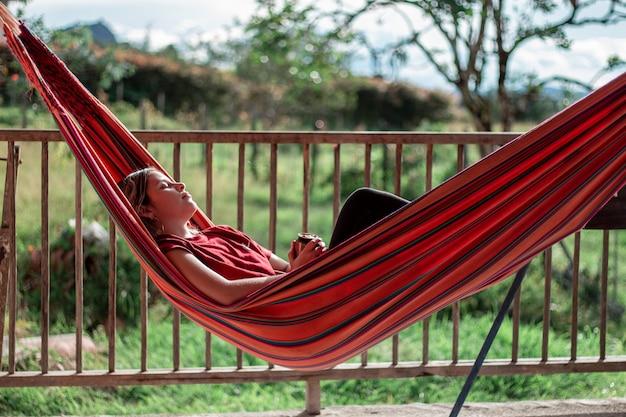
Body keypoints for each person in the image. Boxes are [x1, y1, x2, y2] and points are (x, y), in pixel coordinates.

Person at [119, 167, 409, 305]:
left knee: (368, 208)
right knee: (363, 203)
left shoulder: (222, 232)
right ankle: (448, 233)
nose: (180, 184)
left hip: (308, 288)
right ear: (146, 210)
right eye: (167, 186)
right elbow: (223, 291)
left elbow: (284, 267)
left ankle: (441, 237)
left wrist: (303, 261)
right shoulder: (173, 249)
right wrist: (293, 277)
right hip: (294, 306)